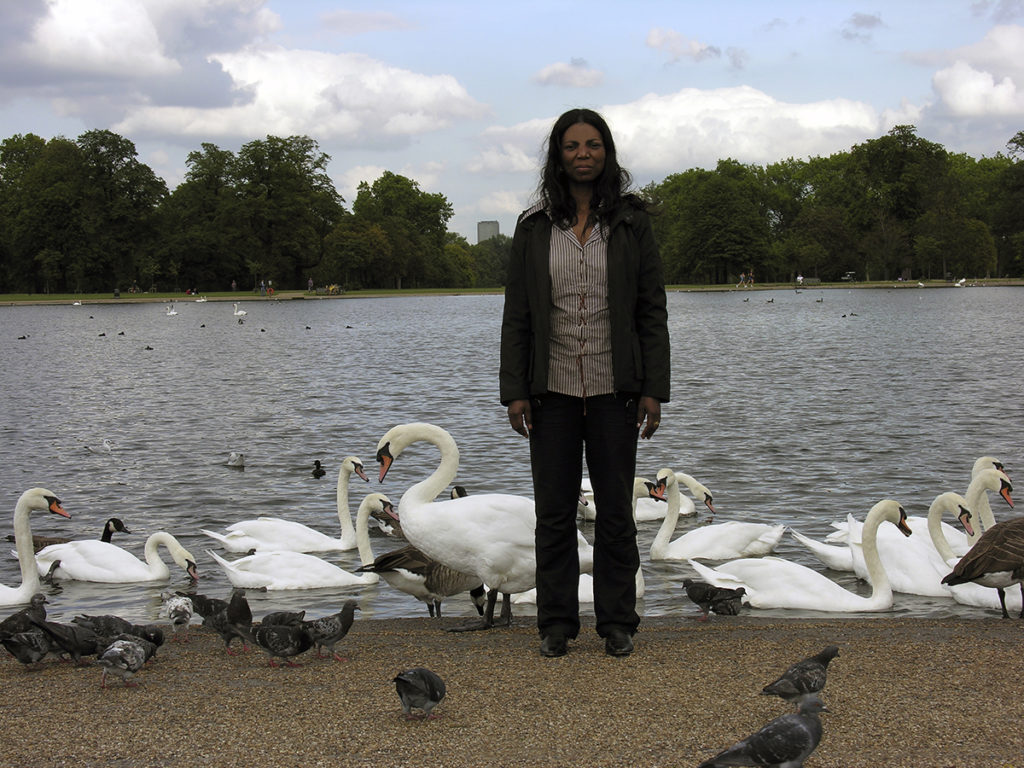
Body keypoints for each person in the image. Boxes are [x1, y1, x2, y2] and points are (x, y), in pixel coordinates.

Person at [500, 108, 670, 659]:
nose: (583, 154)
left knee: (616, 510)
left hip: (614, 389)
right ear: (557, 155)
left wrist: (653, 389)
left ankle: (617, 622)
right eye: (572, 146)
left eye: (593, 145)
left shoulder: (632, 224)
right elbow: (518, 315)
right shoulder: (533, 229)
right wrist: (515, 390)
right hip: (549, 392)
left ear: (607, 153)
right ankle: (556, 624)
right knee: (553, 512)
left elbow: (651, 311)